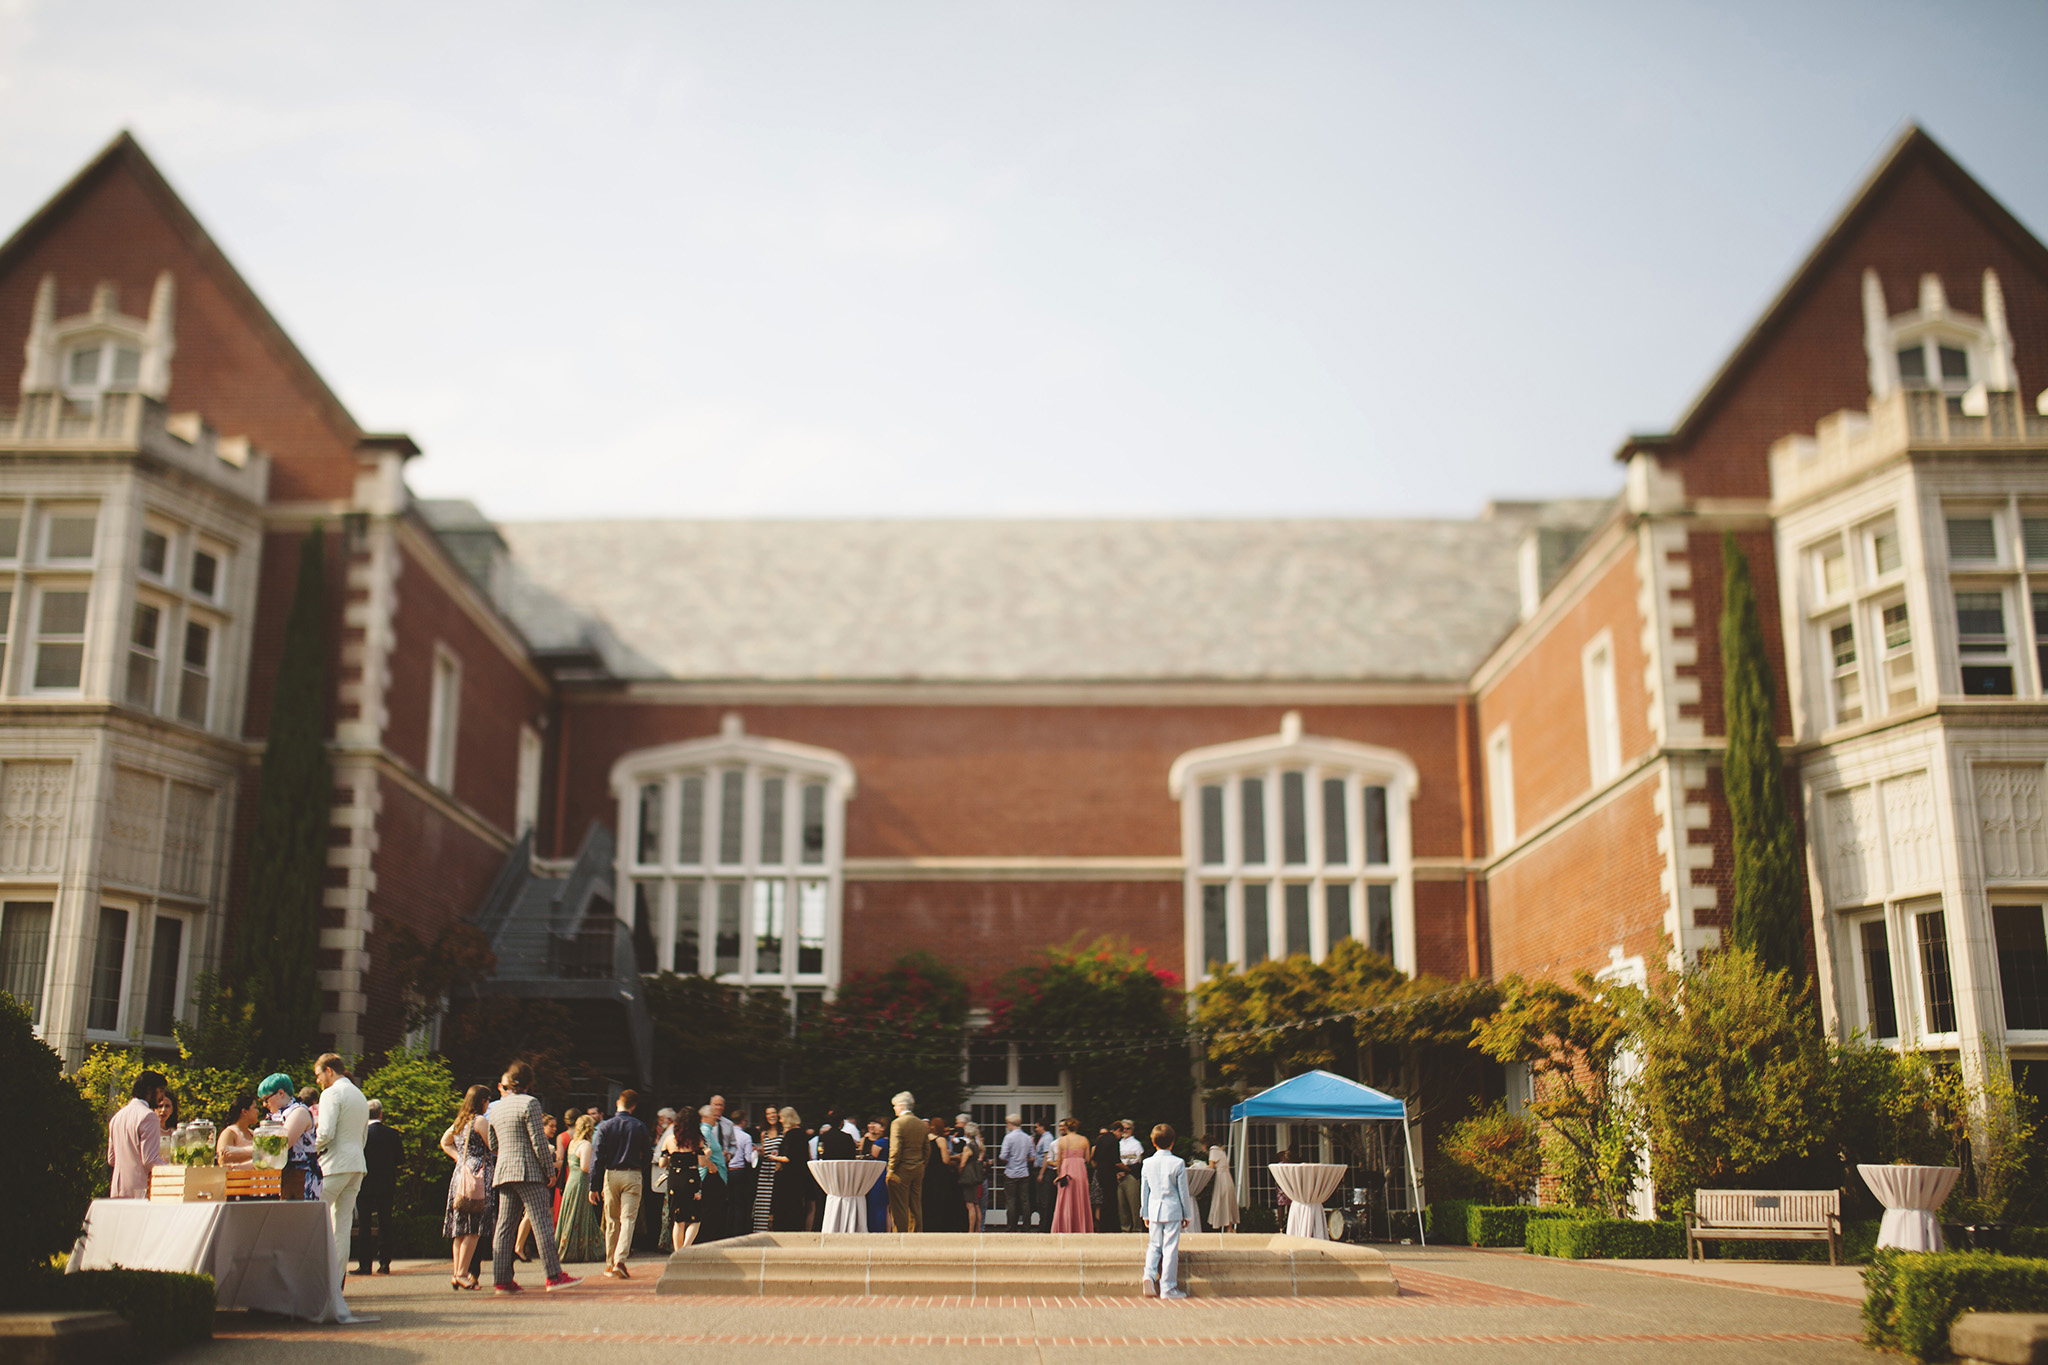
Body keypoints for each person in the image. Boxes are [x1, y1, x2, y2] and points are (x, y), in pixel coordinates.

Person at [486, 1060, 579, 1293]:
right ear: (529, 1082)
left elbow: (494, 1143)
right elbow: (539, 1141)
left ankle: (502, 1279)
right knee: (542, 1223)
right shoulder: (531, 1103)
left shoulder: (496, 1107)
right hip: (528, 1171)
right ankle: (554, 1275)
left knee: (505, 1227)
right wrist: (550, 1171)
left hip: (504, 1171)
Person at [313, 1054, 370, 1300]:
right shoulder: (359, 1094)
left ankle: (317, 1283)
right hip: (357, 1163)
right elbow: (363, 1136)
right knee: (342, 1227)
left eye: (318, 1075)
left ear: (328, 1071)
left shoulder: (331, 1094)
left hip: (334, 1164)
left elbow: (325, 1132)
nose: (318, 1082)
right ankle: (335, 1285)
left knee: (312, 1219)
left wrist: (308, 1148)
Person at [440, 1084, 496, 1290]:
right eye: (488, 1100)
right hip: (478, 1175)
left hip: (461, 1175)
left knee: (460, 1228)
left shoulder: (460, 1121)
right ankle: (463, 1274)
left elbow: (445, 1142)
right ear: (482, 1101)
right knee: (474, 1228)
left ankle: (457, 1273)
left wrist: (459, 1159)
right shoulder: (479, 1121)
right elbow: (493, 1146)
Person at [590, 1090, 651, 1278]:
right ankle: (620, 1259)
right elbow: (648, 1154)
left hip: (611, 1174)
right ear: (633, 1106)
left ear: (618, 1103)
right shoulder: (639, 1126)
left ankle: (609, 1262)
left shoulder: (605, 1126)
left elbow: (597, 1157)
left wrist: (594, 1185)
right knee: (628, 1219)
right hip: (632, 1173)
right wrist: (641, 1168)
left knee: (612, 1220)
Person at [1139, 1123, 1194, 1299]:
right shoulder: (1178, 1163)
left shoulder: (1147, 1163)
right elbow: (1183, 1192)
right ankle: (1168, 1287)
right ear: (1172, 1142)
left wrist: (1145, 1212)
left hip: (1154, 1208)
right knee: (1170, 1248)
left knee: (1154, 1245)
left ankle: (1148, 1274)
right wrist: (1187, 1214)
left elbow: (1144, 1191)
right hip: (1172, 1209)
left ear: (1153, 1143)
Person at [257, 1072, 321, 1201]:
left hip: (301, 1181)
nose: (264, 1104)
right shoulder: (274, 1116)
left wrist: (240, 1152)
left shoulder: (299, 1112)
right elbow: (263, 1156)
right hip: (281, 1181)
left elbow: (279, 1146)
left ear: (281, 1093)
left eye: (266, 1099)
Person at [358, 1097, 402, 1276]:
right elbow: (400, 1159)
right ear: (381, 1114)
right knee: (386, 1222)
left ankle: (364, 1264)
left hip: (365, 1183)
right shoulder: (392, 1134)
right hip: (386, 1183)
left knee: (364, 1224)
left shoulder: (361, 1135)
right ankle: (385, 1263)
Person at [108, 1070, 168, 1198]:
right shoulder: (149, 1116)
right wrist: (173, 1169)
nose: (162, 1097)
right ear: (149, 1090)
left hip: (116, 1190)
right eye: (161, 1090)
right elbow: (150, 1160)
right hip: (139, 1191)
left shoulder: (117, 1117)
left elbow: (112, 1159)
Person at [556, 1115, 604, 1263]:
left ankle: (566, 1246)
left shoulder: (572, 1143)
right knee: (581, 1214)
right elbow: (585, 1167)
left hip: (571, 1181)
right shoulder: (585, 1145)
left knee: (570, 1214)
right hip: (581, 1183)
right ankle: (580, 1249)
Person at [659, 1118, 713, 1247]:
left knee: (679, 1219)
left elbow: (662, 1163)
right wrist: (708, 1153)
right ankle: (686, 1247)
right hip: (690, 1179)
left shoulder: (669, 1139)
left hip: (674, 1179)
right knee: (695, 1217)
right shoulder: (696, 1140)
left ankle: (678, 1252)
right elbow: (702, 1163)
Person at [886, 1091, 927, 1233]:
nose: (894, 1109)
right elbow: (927, 1149)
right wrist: (922, 1164)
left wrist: (890, 1169)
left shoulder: (897, 1123)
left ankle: (900, 1236)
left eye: (895, 1106)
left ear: (901, 1106)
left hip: (901, 1169)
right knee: (915, 1205)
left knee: (899, 1206)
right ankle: (916, 1234)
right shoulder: (921, 1124)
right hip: (918, 1168)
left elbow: (895, 1149)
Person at [770, 1106, 814, 1231]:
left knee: (787, 1206)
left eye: (782, 1118)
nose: (780, 1121)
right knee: (798, 1205)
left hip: (789, 1177)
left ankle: (785, 1229)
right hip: (801, 1175)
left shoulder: (790, 1134)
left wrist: (775, 1158)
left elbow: (788, 1158)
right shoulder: (802, 1133)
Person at [921, 1113, 966, 1232]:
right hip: (939, 1174)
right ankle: (940, 1226)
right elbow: (945, 1160)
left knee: (927, 1200)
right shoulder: (940, 1140)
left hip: (926, 1173)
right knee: (940, 1201)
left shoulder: (924, 1140)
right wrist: (955, 1157)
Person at [1049, 1118, 1093, 1233]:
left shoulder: (1062, 1141)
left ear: (1066, 1127)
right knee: (1081, 1198)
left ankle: (1066, 1227)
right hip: (1080, 1169)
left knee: (1065, 1199)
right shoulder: (1084, 1140)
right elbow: (1088, 1159)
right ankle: (1081, 1227)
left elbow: (1059, 1160)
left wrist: (1058, 1174)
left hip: (1067, 1169)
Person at [697, 1104, 730, 1240]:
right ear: (705, 1117)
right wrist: (712, 1167)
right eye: (713, 1114)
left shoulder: (709, 1131)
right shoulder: (705, 1132)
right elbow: (702, 1154)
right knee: (711, 1210)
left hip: (714, 1175)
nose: (716, 1117)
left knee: (714, 1209)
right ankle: (708, 1239)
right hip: (710, 1177)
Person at [998, 1114, 1034, 1232]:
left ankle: (1011, 1226)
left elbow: (1003, 1156)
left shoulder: (1008, 1138)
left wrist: (1010, 1159)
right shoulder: (1028, 1138)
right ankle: (1026, 1226)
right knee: (1025, 1200)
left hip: (1011, 1172)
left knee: (1011, 1201)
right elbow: (1032, 1157)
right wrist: (1023, 1159)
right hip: (1024, 1172)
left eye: (1007, 1123)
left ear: (1011, 1124)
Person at [752, 1106, 782, 1232]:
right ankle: (760, 1230)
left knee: (776, 1200)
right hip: (765, 1169)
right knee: (762, 1200)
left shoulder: (783, 1132)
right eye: (769, 1113)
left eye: (774, 1113)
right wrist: (758, 1151)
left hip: (779, 1169)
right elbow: (764, 1152)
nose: (772, 1115)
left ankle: (777, 1228)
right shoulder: (763, 1133)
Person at [1090, 1124, 1123, 1232]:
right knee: (1111, 1200)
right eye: (1121, 1134)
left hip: (1100, 1173)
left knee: (1104, 1201)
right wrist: (1128, 1169)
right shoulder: (1113, 1140)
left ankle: (1103, 1227)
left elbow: (1094, 1159)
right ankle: (1113, 1227)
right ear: (1118, 1130)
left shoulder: (1101, 1139)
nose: (1120, 1136)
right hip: (1109, 1173)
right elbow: (1116, 1161)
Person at [956, 1117, 986, 1232]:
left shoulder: (968, 1147)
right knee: (976, 1203)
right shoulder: (978, 1146)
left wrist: (959, 1171)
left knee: (970, 1205)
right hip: (975, 1176)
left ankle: (970, 1230)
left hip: (968, 1177)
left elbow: (963, 1163)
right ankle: (977, 1229)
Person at [1206, 1134, 1239, 1234]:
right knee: (1227, 1201)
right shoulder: (1221, 1151)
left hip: (1221, 1178)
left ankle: (1227, 1227)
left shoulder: (1213, 1151)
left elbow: (1211, 1166)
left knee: (1222, 1201)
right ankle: (1229, 1226)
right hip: (1227, 1177)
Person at [1116, 1119, 1145, 1235]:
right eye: (1123, 1128)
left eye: (1127, 1128)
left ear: (1132, 1130)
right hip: (1119, 1176)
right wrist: (1118, 1172)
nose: (1125, 1131)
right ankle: (1125, 1228)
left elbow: (1137, 1162)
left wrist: (1125, 1172)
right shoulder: (1118, 1143)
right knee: (1121, 1204)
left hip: (1131, 1176)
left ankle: (1137, 1228)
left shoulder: (1136, 1144)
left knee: (1134, 1203)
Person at [217, 1094, 260, 1168]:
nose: (258, 1111)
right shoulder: (229, 1133)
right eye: (255, 1108)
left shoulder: (253, 1133)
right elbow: (223, 1160)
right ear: (244, 1112)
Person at [863, 1119, 890, 1233]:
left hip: (879, 1173)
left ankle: (877, 1228)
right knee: (887, 1205)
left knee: (877, 1203)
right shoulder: (893, 1141)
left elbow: (873, 1156)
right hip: (890, 1170)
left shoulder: (879, 1143)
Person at [1032, 1121, 1057, 1232]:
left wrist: (1041, 1173)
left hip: (1046, 1172)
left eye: (1037, 1127)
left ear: (1042, 1126)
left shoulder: (1047, 1138)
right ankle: (1043, 1225)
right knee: (1041, 1200)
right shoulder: (1043, 1137)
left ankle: (1045, 1227)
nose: (1036, 1129)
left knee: (1045, 1200)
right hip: (1043, 1171)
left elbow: (1047, 1156)